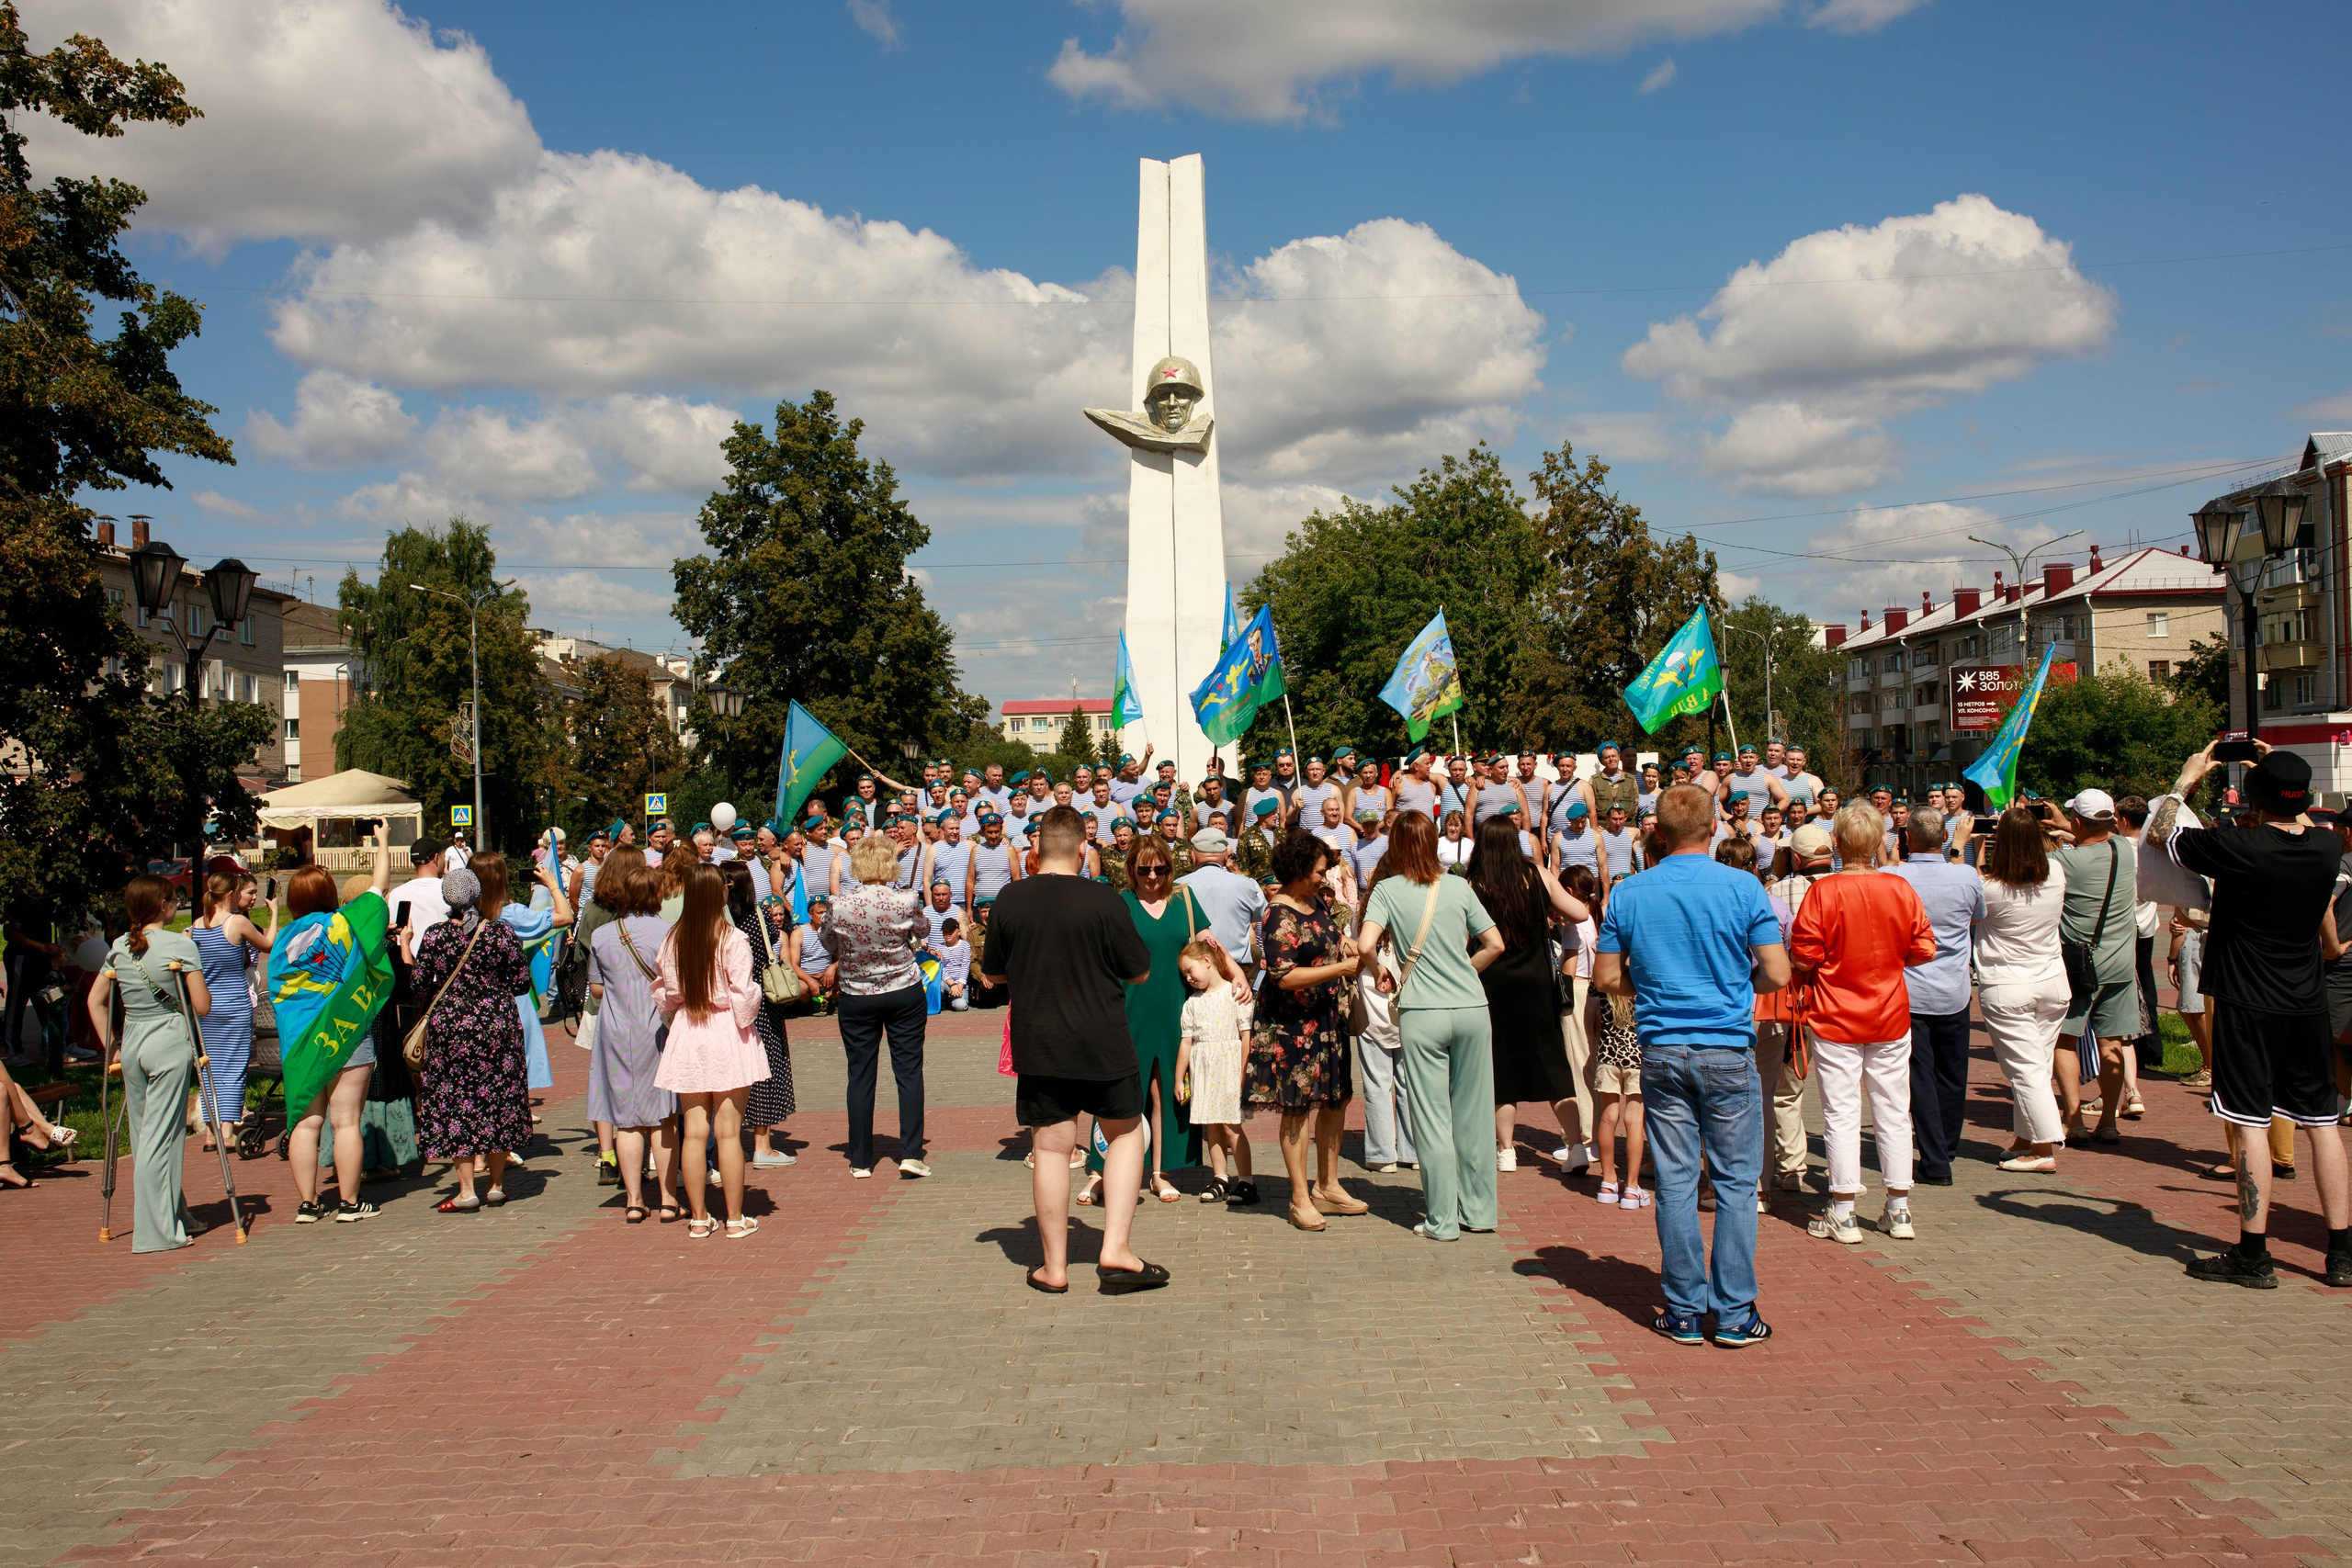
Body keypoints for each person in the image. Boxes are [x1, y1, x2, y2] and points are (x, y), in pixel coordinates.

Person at [1593, 784, 1790, 1347]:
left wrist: (1654, 988)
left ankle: (1683, 1309)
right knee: (1733, 1181)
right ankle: (1732, 1313)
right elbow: (1776, 973)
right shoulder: (1743, 886)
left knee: (1676, 1180)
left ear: (1656, 833)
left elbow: (1607, 979)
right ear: (1714, 829)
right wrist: (1731, 986)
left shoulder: (1628, 893)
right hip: (1726, 1045)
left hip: (1660, 1046)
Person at [2154, 744, 2352, 1289]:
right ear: (2304, 798)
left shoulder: (2237, 844)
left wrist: (2185, 779)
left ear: (2256, 800)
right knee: (2323, 1124)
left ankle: (2253, 1253)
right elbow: (2298, 820)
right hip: (2306, 1000)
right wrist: (2280, 766)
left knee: (2250, 1124)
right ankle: (2342, 1252)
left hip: (2246, 1001)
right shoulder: (2328, 847)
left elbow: (2162, 835)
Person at [980, 804, 1167, 1294]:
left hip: (1040, 1041)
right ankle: (1116, 1249)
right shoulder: (1106, 901)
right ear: (1084, 848)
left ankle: (1055, 1267)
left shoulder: (1009, 899)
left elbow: (994, 974)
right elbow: (1139, 971)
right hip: (1102, 1036)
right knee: (1126, 1135)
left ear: (1037, 850)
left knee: (1051, 1147)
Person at [1788, 804, 1937, 1247]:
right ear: (1878, 844)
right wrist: (1892, 961)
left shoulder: (1825, 891)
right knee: (1893, 1109)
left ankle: (1845, 1211)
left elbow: (1804, 955)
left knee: (1841, 1113)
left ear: (1837, 843)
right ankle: (1898, 1207)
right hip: (1889, 1010)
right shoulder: (1900, 888)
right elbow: (1925, 948)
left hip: (1835, 1014)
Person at [1358, 811, 1504, 1241]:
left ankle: (1442, 1220)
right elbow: (1495, 942)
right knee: (1475, 1114)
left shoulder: (1386, 889)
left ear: (1397, 845)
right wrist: (1466, 970)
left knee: (1432, 1117)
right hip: (1472, 1007)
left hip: (1423, 1010)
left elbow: (1366, 943)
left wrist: (1382, 971)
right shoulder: (1459, 885)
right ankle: (1479, 1212)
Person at [1248, 830, 1365, 1233]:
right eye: (1319, 871)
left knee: (1335, 1099)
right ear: (1298, 871)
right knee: (1297, 1107)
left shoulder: (1314, 901)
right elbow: (1283, 975)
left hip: (1325, 1018)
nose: (1325, 877)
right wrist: (1340, 969)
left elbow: (1327, 936)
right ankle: (1299, 1197)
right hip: (1290, 1026)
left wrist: (1346, 944)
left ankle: (1328, 1186)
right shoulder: (1278, 913)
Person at [85, 877, 210, 1248]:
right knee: (164, 1138)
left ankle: (174, 1213)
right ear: (162, 905)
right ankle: (157, 1233)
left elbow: (96, 1002)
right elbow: (202, 1006)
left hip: (134, 1044)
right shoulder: (180, 944)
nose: (178, 905)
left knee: (144, 1137)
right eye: (174, 900)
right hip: (169, 1041)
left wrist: (113, 1048)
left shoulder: (120, 946)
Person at [1079, 836, 1204, 1206]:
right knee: (1117, 1094)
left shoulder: (1185, 901)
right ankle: (1100, 1173)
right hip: (1126, 1010)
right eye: (1144, 868)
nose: (1152, 876)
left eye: (1160, 868)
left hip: (1174, 1009)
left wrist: (1239, 976)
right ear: (1130, 868)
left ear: (1169, 867)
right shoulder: (1120, 903)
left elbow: (1207, 945)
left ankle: (1159, 1173)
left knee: (1166, 1090)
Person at [1464, 817, 1589, 1174]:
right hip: (1537, 984)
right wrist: (1550, 912)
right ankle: (1576, 1146)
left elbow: (1462, 938)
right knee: (1553, 1064)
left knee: (1502, 1067)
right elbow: (1579, 912)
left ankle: (1506, 1151)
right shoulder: (1537, 875)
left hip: (1493, 983)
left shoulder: (1474, 883)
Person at [652, 863, 768, 1237]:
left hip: (689, 1029)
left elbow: (665, 995)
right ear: (718, 893)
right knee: (730, 1132)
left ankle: (699, 1218)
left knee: (695, 1132)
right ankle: (735, 1218)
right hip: (726, 1032)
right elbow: (744, 996)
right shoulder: (732, 939)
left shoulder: (672, 939)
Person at [410, 868, 534, 1213]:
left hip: (450, 1029)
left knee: (455, 1103)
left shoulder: (435, 936)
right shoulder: (500, 933)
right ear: (478, 895)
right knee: (497, 1098)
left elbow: (419, 982)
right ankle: (496, 1185)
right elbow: (522, 981)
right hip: (497, 1025)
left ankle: (467, 1190)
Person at [1884, 807, 1983, 1187]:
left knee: (1920, 1075)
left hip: (1911, 990)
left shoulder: (1893, 876)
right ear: (1945, 838)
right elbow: (1976, 917)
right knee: (1953, 1074)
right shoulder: (1965, 877)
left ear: (1907, 838)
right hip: (1951, 989)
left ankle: (1936, 1156)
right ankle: (1944, 1150)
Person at [824, 834, 932, 1179]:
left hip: (857, 994)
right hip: (902, 989)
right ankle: (912, 1153)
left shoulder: (839, 904)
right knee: (909, 1070)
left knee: (860, 1074)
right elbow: (923, 929)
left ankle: (860, 1159)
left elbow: (828, 940)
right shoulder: (905, 899)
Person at [1972, 807, 2072, 1173]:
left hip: (2008, 987)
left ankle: (2044, 1147)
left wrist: (1962, 846)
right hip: (2052, 983)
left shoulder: (1991, 890)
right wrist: (2056, 826)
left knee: (2025, 1070)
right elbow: (2065, 848)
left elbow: (1962, 893)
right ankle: (2025, 1137)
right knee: (2036, 1067)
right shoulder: (2057, 873)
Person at [585, 855, 679, 1222]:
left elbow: (595, 989)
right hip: (657, 1028)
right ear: (656, 894)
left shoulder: (603, 934)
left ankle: (634, 1201)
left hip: (615, 1028)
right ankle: (669, 1199)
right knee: (663, 1117)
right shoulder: (669, 931)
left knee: (626, 1119)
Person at [2047, 791, 2139, 1144]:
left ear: (2078, 822)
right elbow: (2108, 837)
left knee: (2064, 1040)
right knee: (2111, 1040)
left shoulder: (2064, 862)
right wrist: (2074, 829)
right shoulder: (2126, 852)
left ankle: (2074, 1119)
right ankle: (2109, 1122)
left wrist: (2064, 832)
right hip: (2121, 964)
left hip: (2081, 966)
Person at [187, 870, 275, 1152]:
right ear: (229, 895)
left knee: (210, 1069)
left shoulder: (195, 927)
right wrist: (274, 913)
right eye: (239, 892)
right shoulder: (236, 923)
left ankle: (211, 1130)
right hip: (234, 1006)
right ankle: (226, 1128)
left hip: (206, 1008)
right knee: (234, 1069)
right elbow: (268, 944)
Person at [722, 861, 797, 1170]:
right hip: (762, 1001)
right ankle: (762, 1144)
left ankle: (725, 1139)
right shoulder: (760, 916)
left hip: (727, 1001)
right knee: (765, 1067)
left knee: (732, 1073)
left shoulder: (720, 921)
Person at [1175, 936, 1256, 1202]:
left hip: (1230, 1069)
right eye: (1184, 974)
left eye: (1190, 970)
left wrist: (1244, 1071)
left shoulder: (1235, 993)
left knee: (1232, 1127)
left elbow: (1246, 1036)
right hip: (1205, 1073)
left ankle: (1246, 1180)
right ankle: (1220, 1178)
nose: (1188, 977)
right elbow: (1186, 1042)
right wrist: (1179, 1078)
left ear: (1207, 961)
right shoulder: (1193, 1003)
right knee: (1211, 1127)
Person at [1178, 828, 1267, 983]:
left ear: (1193, 856)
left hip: (1194, 973)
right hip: (1236, 972)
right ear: (1226, 855)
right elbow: (1264, 915)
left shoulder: (1178, 887)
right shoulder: (1247, 885)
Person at [1437, 810, 1472, 874]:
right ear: (1446, 826)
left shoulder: (1469, 843)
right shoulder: (1439, 843)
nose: (1453, 828)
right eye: (1450, 825)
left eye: (1457, 825)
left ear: (1462, 826)